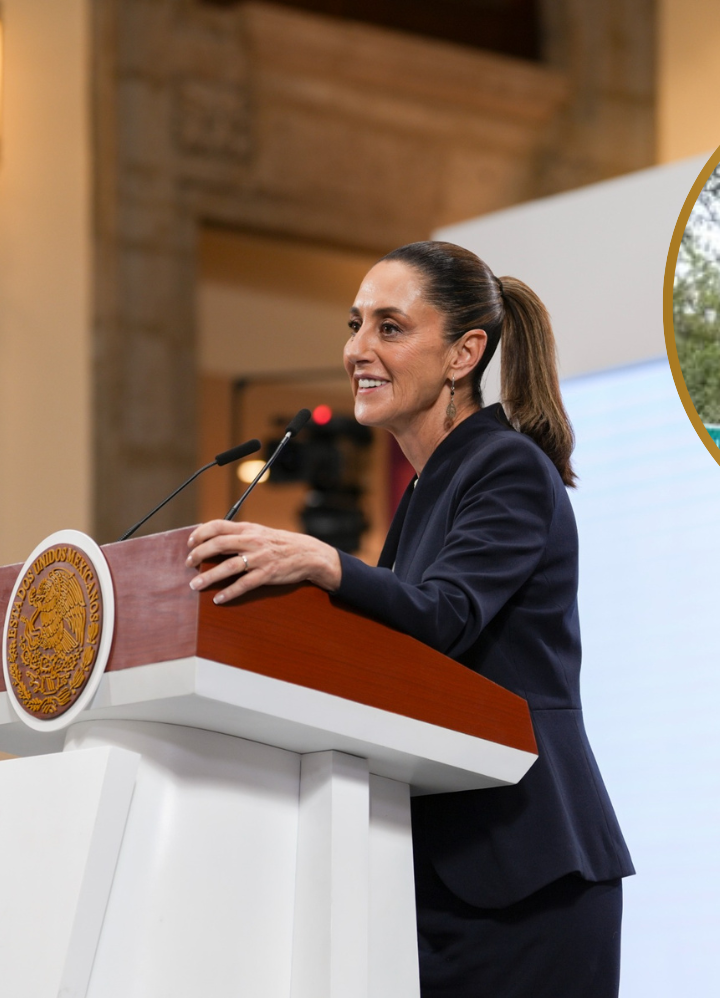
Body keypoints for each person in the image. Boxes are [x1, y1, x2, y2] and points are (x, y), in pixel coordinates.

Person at [184, 240, 634, 997]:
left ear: (465, 353)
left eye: (390, 327)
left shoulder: (508, 465)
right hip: (442, 873)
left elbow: (448, 615)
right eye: (355, 323)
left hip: (524, 872)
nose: (358, 348)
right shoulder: (430, 486)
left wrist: (325, 563)